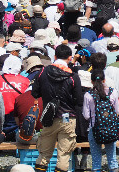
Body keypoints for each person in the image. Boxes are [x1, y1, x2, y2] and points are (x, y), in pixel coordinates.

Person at [31, 44, 83, 172]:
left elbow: (35, 93)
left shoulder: (42, 72)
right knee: (64, 154)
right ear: (70, 58)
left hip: (49, 117)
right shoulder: (73, 76)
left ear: (54, 57)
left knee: (44, 153)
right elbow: (79, 100)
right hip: (68, 118)